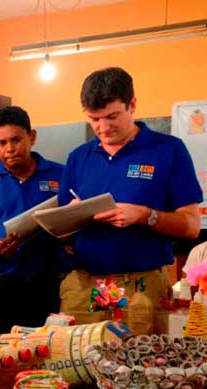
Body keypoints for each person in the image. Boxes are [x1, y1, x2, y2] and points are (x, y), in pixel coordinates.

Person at [58, 67, 202, 332]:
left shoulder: (168, 150)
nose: (103, 127)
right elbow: (62, 234)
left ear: (132, 104)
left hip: (141, 287)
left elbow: (192, 226)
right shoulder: (78, 157)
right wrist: (68, 217)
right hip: (83, 286)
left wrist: (146, 215)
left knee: (140, 366)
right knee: (77, 368)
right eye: (94, 119)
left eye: (112, 116)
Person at [0, 106, 66, 332]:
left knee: (53, 351)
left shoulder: (61, 174)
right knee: (7, 353)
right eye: (2, 143)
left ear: (31, 137)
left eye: (16, 140)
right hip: (5, 283)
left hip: (53, 281)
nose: (10, 149)